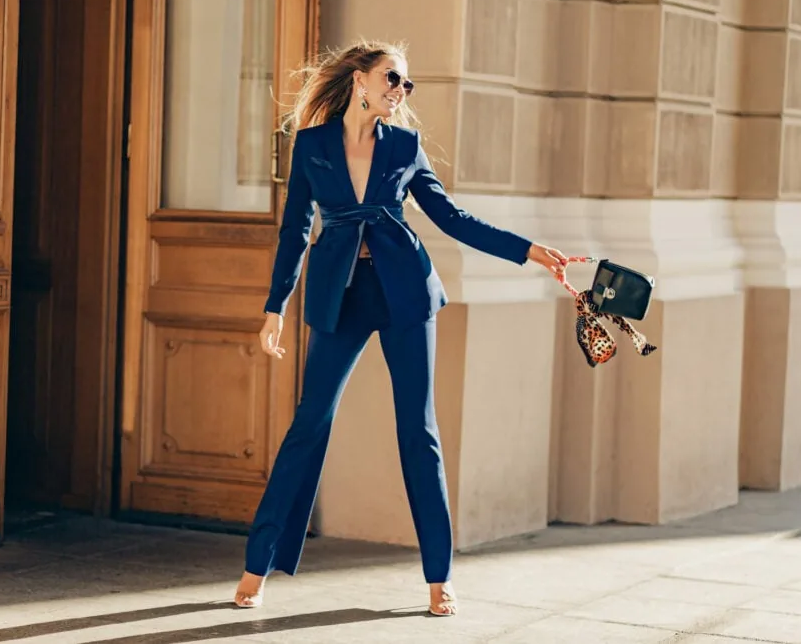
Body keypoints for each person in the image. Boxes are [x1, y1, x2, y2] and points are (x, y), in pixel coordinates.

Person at [233, 39, 566, 617]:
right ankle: (256, 567)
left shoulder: (405, 147)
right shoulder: (311, 146)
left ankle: (439, 576)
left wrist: (529, 251)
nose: (401, 90)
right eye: (392, 78)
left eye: (407, 83)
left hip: (405, 294)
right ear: (360, 80)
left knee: (418, 431)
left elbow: (452, 218)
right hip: (341, 297)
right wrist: (274, 308)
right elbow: (294, 231)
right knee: (309, 425)